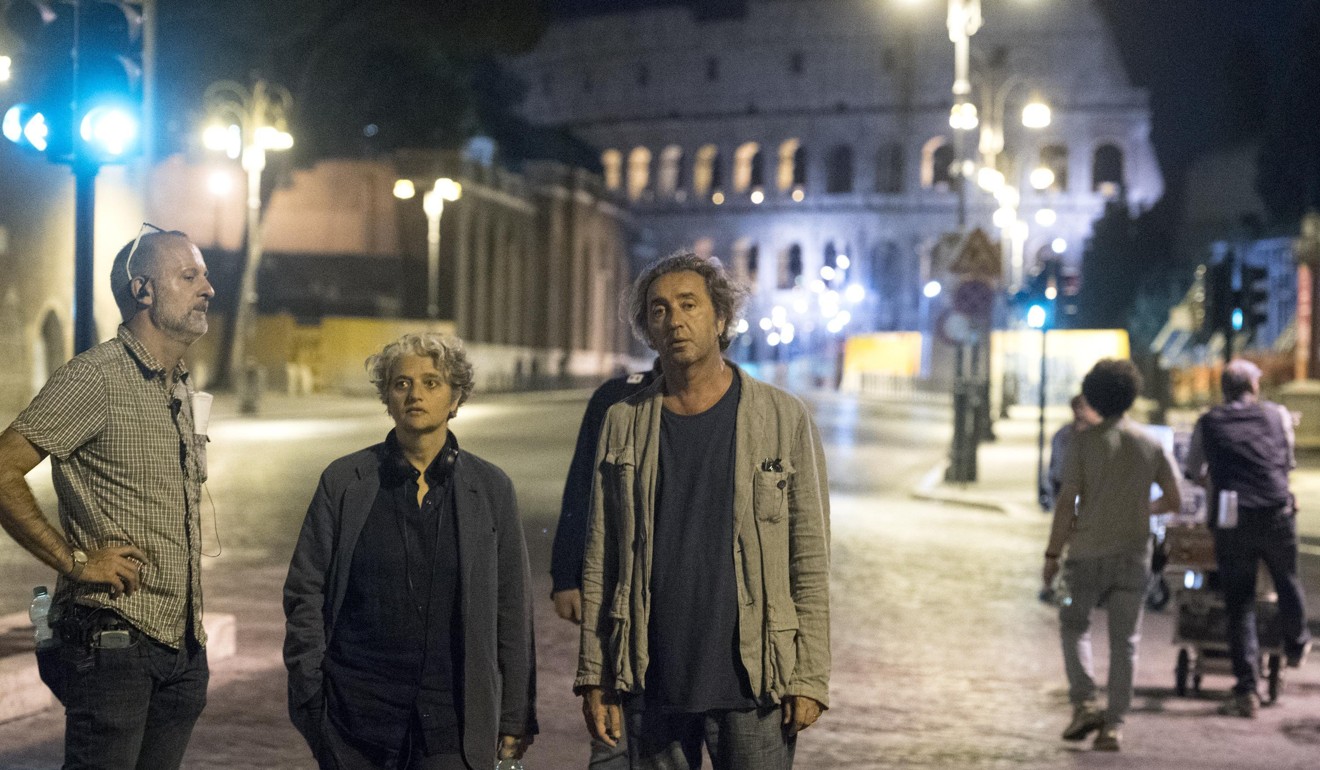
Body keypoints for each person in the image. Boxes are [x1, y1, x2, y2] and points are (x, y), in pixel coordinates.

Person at [576, 252, 830, 770]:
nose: (674, 320)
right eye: (659, 310)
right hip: (651, 675)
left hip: (755, 680)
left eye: (689, 304)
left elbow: (808, 557)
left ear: (720, 319)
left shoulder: (782, 418)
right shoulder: (623, 422)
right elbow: (601, 558)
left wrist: (808, 676)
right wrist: (594, 676)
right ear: (648, 327)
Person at [0, 226, 215, 768]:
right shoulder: (95, 378)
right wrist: (75, 561)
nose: (208, 288)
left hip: (182, 645)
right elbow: (3, 468)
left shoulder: (179, 386)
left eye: (205, 275)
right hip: (115, 643)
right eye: (189, 276)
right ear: (143, 290)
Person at [283, 332, 536, 769]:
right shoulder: (344, 482)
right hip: (354, 722)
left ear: (455, 399)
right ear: (387, 397)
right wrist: (311, 695)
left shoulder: (491, 489)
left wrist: (514, 714)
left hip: (449, 726)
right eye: (401, 384)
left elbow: (511, 608)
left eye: (431, 383)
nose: (415, 393)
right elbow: (305, 591)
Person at [1042, 358, 1181, 752]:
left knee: (1074, 625)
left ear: (1094, 396)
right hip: (1133, 554)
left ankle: (1085, 702)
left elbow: (1067, 502)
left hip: (1086, 551)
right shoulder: (1150, 444)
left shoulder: (1082, 443)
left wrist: (1052, 554)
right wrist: (1141, 508)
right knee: (1126, 642)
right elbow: (1174, 499)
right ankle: (1113, 727)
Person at [1184, 358, 1311, 718]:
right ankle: (1297, 642)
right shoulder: (1277, 416)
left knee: (1239, 603)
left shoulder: (1208, 422)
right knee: (1286, 579)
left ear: (1224, 389)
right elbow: (1286, 462)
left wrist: (1214, 477)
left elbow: (1194, 470)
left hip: (1231, 517)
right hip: (1275, 511)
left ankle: (1246, 690)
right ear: (1253, 387)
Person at [552, 359, 660, 768]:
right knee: (612, 739)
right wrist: (566, 575)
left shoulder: (726, 399)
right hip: (617, 598)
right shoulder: (615, 396)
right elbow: (583, 484)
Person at [1043, 394, 1102, 510]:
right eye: (1076, 407)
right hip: (1064, 486)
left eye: (1082, 407)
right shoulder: (1063, 434)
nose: (1079, 411)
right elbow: (1054, 463)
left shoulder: (1099, 436)